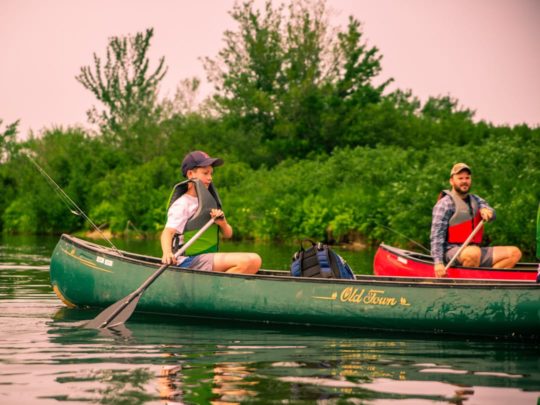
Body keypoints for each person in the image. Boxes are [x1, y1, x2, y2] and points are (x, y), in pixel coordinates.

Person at [160, 150, 261, 274]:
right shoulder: (182, 204)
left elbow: (228, 234)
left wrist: (222, 223)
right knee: (251, 260)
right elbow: (167, 232)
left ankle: (219, 289)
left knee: (253, 262)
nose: (210, 178)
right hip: (187, 261)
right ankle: (220, 291)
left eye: (211, 173)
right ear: (191, 174)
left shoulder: (208, 201)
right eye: (205, 173)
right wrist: (167, 253)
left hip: (204, 258)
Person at [430, 163, 522, 278]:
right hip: (451, 251)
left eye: (467, 178)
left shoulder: (476, 199)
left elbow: (492, 213)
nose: (464, 181)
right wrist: (438, 263)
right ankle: (468, 287)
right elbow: (436, 236)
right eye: (460, 178)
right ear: (451, 181)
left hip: (475, 250)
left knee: (514, 253)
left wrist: (487, 211)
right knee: (473, 253)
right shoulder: (444, 204)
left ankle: (488, 282)